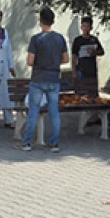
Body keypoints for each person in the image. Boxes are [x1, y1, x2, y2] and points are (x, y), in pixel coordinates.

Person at [21, 8, 68, 153]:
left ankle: (27, 142)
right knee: (54, 111)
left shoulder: (36, 39)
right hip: (54, 78)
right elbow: (66, 59)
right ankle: (54, 143)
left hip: (38, 78)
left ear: (40, 21)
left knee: (33, 111)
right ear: (53, 21)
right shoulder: (60, 38)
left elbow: (30, 61)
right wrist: (53, 62)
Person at [71, 17, 105, 88]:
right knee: (81, 89)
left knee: (92, 90)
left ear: (91, 27)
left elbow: (102, 51)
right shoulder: (78, 40)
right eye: (84, 26)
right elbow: (74, 56)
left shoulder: (94, 39)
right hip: (81, 68)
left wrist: (94, 52)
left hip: (92, 70)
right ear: (81, 27)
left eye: (87, 26)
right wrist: (74, 71)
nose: (85, 28)